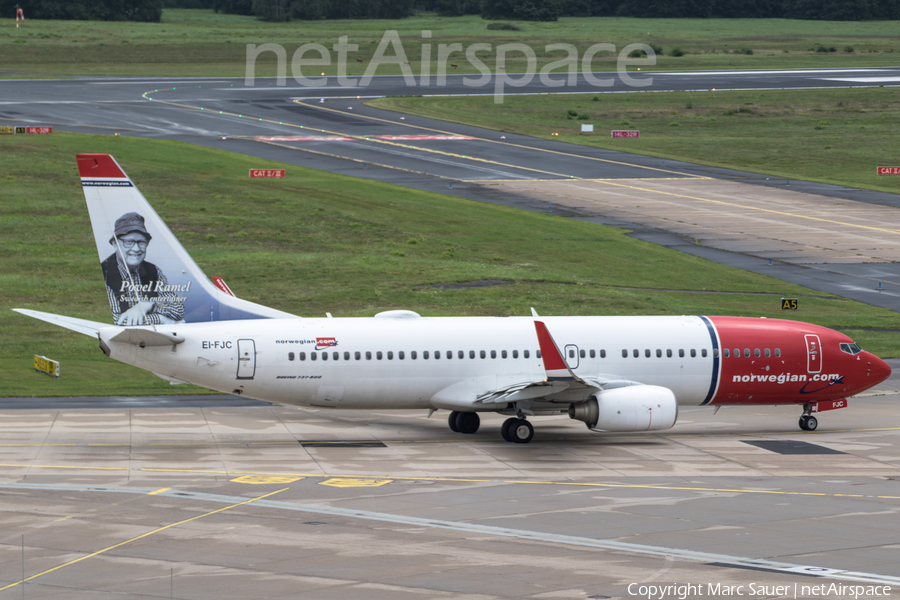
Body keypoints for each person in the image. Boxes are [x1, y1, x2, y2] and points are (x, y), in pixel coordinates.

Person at [102, 212, 185, 325]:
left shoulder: (154, 271)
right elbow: (117, 322)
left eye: (141, 242)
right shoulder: (104, 273)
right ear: (115, 244)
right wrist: (163, 320)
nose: (136, 249)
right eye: (129, 242)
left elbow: (178, 310)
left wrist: (148, 305)